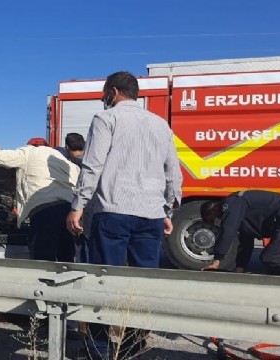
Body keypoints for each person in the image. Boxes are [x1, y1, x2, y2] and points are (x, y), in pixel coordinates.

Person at [65, 71, 183, 360]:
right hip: (151, 215)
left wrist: (78, 205)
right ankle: (133, 344)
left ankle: (100, 349)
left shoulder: (106, 119)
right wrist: (167, 209)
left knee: (105, 279)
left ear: (114, 91)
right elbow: (173, 172)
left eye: (106, 93)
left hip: (114, 211)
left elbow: (93, 165)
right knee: (143, 282)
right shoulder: (160, 124)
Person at [0, 138, 79, 262]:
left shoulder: (29, 152)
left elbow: (1, 157)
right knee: (66, 258)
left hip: (45, 211)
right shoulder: (64, 160)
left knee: (42, 259)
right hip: (69, 212)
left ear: (31, 146)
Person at [201, 190, 280, 278]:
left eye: (214, 219)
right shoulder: (242, 212)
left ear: (213, 209)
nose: (218, 221)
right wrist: (240, 269)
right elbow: (245, 242)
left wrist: (216, 260)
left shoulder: (232, 203)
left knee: (270, 258)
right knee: (279, 270)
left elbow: (228, 230)